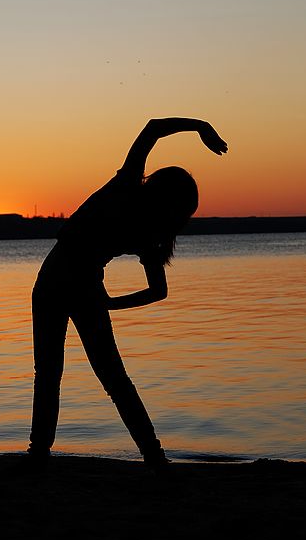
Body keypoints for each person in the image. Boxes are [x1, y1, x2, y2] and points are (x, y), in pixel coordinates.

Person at [27, 117, 228, 471]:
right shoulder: (131, 188)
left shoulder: (147, 224)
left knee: (92, 376)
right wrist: (201, 125)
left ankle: (148, 454)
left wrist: (108, 303)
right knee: (74, 375)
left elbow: (158, 291)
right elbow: (152, 128)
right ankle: (146, 454)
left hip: (68, 279)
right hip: (64, 282)